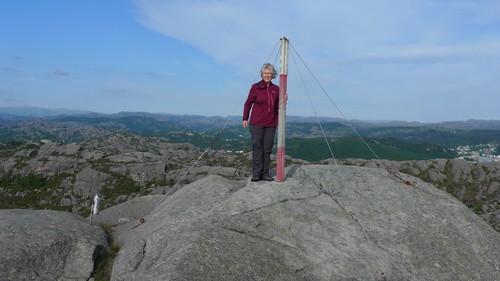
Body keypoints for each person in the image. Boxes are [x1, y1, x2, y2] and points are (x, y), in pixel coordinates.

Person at [243, 63, 281, 182]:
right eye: (265, 73)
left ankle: (265, 174)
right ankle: (256, 174)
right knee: (257, 148)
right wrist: (245, 118)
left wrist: (284, 99)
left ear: (272, 74)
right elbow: (248, 103)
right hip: (257, 122)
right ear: (262, 74)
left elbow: (279, 105)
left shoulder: (276, 89)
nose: (267, 75)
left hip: (271, 123)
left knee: (267, 149)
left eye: (269, 73)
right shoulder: (255, 87)